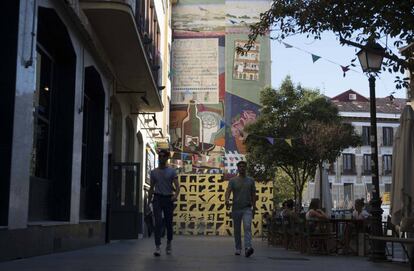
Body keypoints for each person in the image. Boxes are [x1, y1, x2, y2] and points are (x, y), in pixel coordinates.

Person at [148, 149, 180, 257]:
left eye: (162, 156)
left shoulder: (172, 171)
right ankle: (158, 247)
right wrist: (149, 202)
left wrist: (175, 196)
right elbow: (151, 188)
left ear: (167, 158)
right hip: (157, 198)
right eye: (159, 156)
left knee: (168, 223)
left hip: (168, 199)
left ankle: (169, 244)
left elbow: (178, 187)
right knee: (157, 223)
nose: (160, 158)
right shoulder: (154, 172)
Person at [225, 160, 257, 257]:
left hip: (247, 208)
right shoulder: (233, 180)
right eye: (240, 166)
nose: (242, 168)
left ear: (246, 168)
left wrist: (254, 206)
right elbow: (228, 191)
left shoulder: (251, 180)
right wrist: (226, 200)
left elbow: (253, 194)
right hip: (236, 208)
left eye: (244, 166)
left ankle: (248, 247)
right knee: (237, 230)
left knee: (247, 227)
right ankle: (238, 248)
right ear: (238, 168)